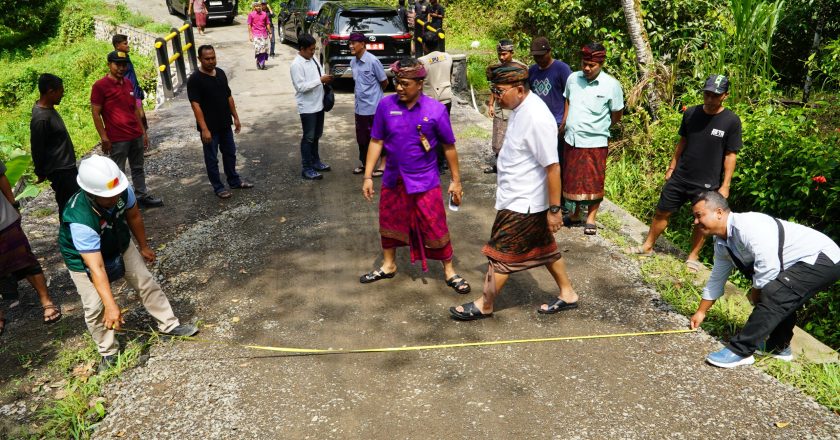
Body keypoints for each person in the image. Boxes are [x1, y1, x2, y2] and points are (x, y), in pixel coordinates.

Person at [450, 62, 577, 321]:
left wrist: (555, 210)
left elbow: (553, 167)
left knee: (500, 254)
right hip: (518, 197)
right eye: (494, 91)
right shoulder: (519, 108)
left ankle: (485, 303)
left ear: (519, 89)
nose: (496, 97)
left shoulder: (536, 117)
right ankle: (568, 293)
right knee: (544, 248)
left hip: (524, 202)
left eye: (499, 91)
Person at [58, 155, 198, 372]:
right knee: (95, 306)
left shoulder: (122, 190)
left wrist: (143, 246)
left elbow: (134, 216)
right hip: (85, 260)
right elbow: (97, 267)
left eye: (117, 193)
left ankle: (169, 325)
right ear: (91, 194)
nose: (115, 198)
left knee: (145, 281)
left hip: (119, 242)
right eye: (108, 197)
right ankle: (108, 352)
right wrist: (111, 305)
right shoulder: (80, 219)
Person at [688, 191, 840, 368]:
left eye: (699, 215)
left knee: (775, 293)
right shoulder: (722, 243)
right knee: (780, 293)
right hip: (803, 261)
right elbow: (717, 278)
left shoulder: (750, 227)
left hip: (823, 257)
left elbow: (768, 268)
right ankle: (779, 347)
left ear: (719, 212)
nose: (696, 222)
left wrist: (755, 295)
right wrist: (701, 312)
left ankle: (740, 350)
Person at [360, 58, 470, 295]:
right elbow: (376, 141)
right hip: (393, 178)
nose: (399, 88)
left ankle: (449, 270)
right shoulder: (385, 106)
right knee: (389, 221)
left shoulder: (436, 110)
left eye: (405, 84)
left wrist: (456, 181)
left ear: (420, 83)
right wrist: (368, 176)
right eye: (397, 82)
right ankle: (388, 265)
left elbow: (449, 147)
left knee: (434, 223)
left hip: (425, 180)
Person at [626, 75, 741, 273]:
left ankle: (692, 257)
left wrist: (725, 185)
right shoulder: (691, 113)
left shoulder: (731, 121)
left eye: (715, 95)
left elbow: (731, 155)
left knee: (702, 221)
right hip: (681, 176)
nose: (710, 99)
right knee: (662, 211)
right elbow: (682, 142)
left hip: (707, 183)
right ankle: (648, 246)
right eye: (707, 94)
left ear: (725, 96)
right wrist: (672, 167)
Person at [561, 42, 624, 235]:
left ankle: (591, 218)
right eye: (584, 64)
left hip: (595, 141)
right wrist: (565, 123)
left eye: (592, 65)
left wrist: (601, 126)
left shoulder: (611, 85)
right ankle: (575, 214)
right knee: (572, 179)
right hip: (572, 139)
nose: (587, 68)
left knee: (593, 181)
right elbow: (568, 100)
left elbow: (617, 113)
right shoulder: (573, 79)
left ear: (601, 64)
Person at [91, 50, 163, 208]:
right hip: (117, 138)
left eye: (124, 65)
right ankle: (121, 204)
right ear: (109, 65)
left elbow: (135, 109)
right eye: (117, 64)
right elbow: (95, 113)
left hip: (135, 134)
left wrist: (143, 132)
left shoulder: (128, 83)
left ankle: (142, 196)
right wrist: (104, 137)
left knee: (138, 168)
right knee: (117, 172)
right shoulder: (100, 86)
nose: (121, 68)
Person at [0, 160, 63, 330]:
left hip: (3, 220)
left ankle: (46, 301)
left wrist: (13, 204)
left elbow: (1, 177)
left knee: (25, 260)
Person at [187, 45, 254, 198]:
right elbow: (195, 105)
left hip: (225, 123)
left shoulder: (221, 73)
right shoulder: (195, 79)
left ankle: (234, 181)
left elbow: (228, 96)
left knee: (230, 153)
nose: (211, 61)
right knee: (212, 158)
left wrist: (236, 117)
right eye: (207, 59)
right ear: (199, 59)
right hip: (209, 127)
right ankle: (218, 187)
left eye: (213, 58)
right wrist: (204, 129)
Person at [30, 73, 79, 219]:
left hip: (67, 168)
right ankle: (67, 231)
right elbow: (37, 148)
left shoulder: (49, 109)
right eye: (60, 92)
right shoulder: (41, 119)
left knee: (74, 203)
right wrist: (40, 171)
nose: (62, 95)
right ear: (51, 92)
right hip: (60, 171)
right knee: (68, 206)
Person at [290, 34, 334, 180]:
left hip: (319, 104)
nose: (313, 52)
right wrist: (320, 80)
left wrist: (326, 78)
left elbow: (320, 74)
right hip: (307, 107)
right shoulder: (296, 65)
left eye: (314, 49)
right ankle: (306, 168)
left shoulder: (313, 58)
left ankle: (316, 162)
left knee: (316, 136)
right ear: (302, 49)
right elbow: (300, 87)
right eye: (310, 49)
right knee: (308, 138)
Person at [528, 37, 572, 174]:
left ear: (549, 51)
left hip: (557, 124)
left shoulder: (562, 69)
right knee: (539, 162)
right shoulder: (532, 71)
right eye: (536, 57)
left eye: (541, 56)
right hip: (538, 124)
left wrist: (565, 121)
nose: (539, 59)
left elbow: (570, 96)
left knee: (557, 162)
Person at [349, 32, 388, 176]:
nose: (351, 46)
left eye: (353, 43)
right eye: (350, 43)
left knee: (378, 136)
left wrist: (375, 96)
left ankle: (383, 165)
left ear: (362, 44)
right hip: (360, 108)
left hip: (374, 107)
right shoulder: (353, 62)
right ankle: (365, 164)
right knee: (362, 138)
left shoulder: (373, 61)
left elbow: (384, 82)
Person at [418, 32, 453, 172]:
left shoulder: (422, 61)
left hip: (429, 100)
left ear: (424, 45)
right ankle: (444, 161)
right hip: (446, 98)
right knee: (444, 130)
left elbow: (419, 80)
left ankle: (435, 161)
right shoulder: (448, 57)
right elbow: (449, 74)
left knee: (430, 131)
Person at [484, 39, 515, 174]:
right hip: (499, 108)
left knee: (512, 138)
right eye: (499, 54)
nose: (502, 57)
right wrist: (491, 104)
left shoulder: (519, 69)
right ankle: (498, 165)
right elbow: (494, 87)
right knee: (497, 136)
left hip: (512, 109)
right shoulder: (496, 69)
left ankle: (511, 167)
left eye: (504, 54)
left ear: (511, 53)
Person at [111, 35, 148, 132]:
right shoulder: (117, 61)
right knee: (137, 116)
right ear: (117, 45)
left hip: (135, 93)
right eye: (125, 44)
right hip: (128, 94)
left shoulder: (126, 57)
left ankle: (144, 135)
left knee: (141, 115)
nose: (128, 45)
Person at [247, 2, 271, 70]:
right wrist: (250, 35)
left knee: (264, 50)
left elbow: (267, 23)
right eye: (256, 6)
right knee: (258, 49)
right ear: (254, 7)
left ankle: (261, 63)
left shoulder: (264, 14)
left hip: (264, 34)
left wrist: (270, 33)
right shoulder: (251, 14)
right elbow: (249, 24)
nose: (258, 7)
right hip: (256, 35)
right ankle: (260, 63)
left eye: (259, 6)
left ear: (261, 6)